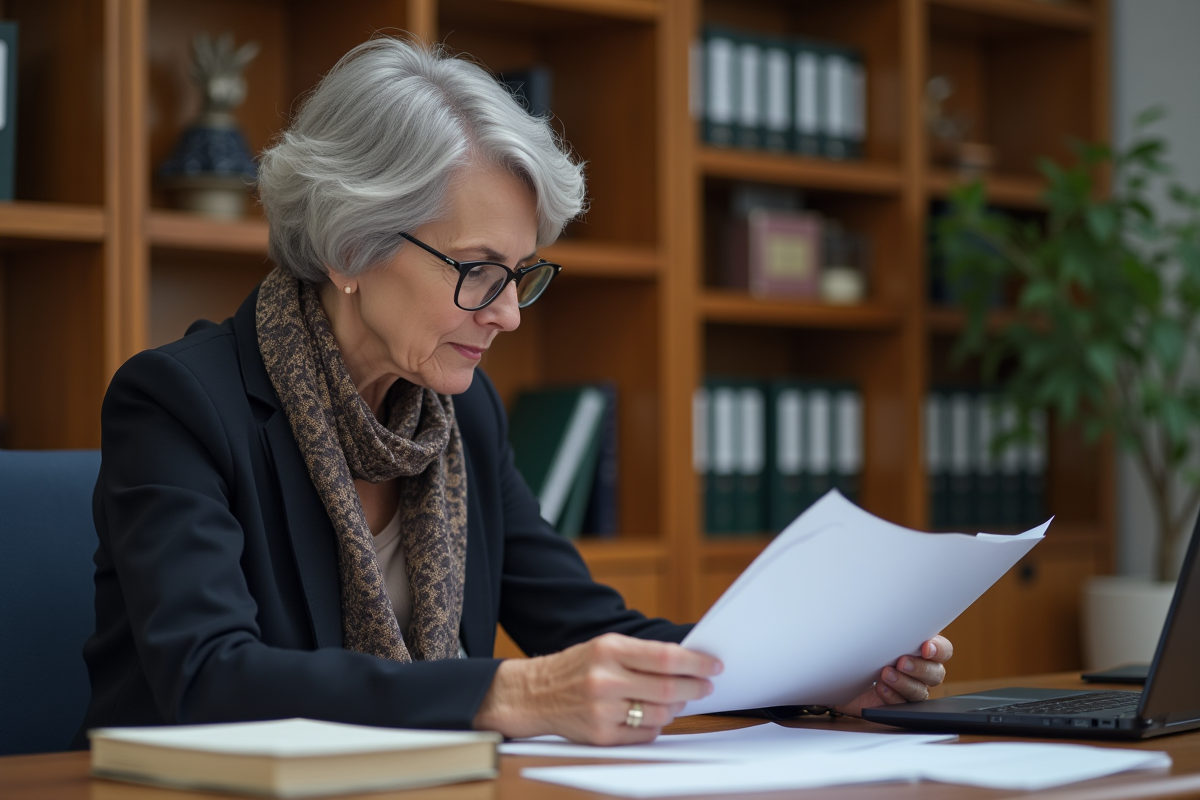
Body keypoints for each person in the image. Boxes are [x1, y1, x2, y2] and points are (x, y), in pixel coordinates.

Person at [76, 37, 951, 748]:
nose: (507, 317)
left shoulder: (461, 414)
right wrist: (514, 694)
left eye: (520, 276)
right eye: (478, 272)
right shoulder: (180, 404)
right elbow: (208, 677)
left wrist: (813, 671)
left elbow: (582, 630)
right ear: (349, 247)